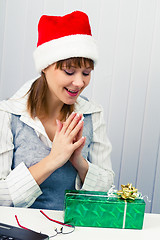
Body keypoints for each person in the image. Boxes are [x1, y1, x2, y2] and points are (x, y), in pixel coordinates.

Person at [0, 11, 114, 210]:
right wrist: (54, 159)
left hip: (73, 230)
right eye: (69, 71)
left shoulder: (92, 114)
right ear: (45, 66)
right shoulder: (8, 114)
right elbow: (1, 196)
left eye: (86, 73)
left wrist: (79, 161)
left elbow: (106, 191)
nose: (79, 82)